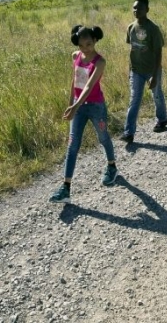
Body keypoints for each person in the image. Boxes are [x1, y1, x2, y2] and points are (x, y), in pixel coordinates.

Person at [49, 25, 118, 203]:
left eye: (88, 44)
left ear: (95, 40)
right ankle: (66, 187)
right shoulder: (76, 56)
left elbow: (88, 86)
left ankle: (112, 167)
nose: (85, 48)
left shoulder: (100, 62)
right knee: (72, 144)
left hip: (95, 106)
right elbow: (75, 80)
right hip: (78, 107)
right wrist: (70, 103)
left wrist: (75, 106)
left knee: (103, 137)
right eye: (81, 45)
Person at [120, 0, 167, 143]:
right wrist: (130, 70)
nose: (136, 10)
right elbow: (132, 49)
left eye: (140, 8)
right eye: (134, 8)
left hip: (152, 70)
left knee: (157, 95)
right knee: (134, 100)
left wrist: (154, 75)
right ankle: (129, 132)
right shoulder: (131, 28)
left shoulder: (153, 29)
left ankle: (162, 119)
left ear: (147, 10)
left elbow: (159, 52)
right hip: (136, 71)